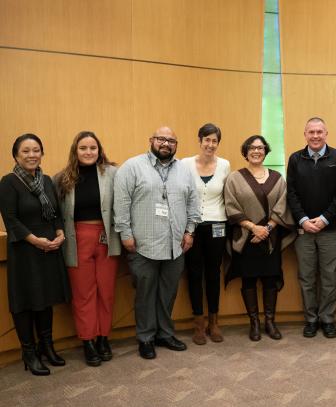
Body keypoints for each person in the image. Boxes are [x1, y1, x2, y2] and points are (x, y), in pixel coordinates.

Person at [113, 126, 200, 360]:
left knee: (168, 293)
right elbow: (120, 205)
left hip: (176, 245)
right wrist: (126, 235)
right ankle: (145, 337)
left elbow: (193, 202)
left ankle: (165, 333)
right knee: (145, 293)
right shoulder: (132, 167)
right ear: (151, 140)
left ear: (176, 145)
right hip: (143, 245)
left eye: (171, 140)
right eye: (161, 139)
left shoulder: (184, 170)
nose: (166, 144)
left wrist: (190, 231)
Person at [0, 133, 71, 375]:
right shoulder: (8, 182)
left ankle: (47, 347)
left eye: (36, 150)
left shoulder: (47, 180)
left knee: (45, 299)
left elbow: (56, 213)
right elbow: (10, 220)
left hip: (49, 247)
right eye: (26, 151)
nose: (32, 155)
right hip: (24, 249)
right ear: (16, 156)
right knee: (25, 302)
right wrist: (35, 241)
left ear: (42, 153)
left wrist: (60, 233)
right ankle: (28, 353)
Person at [53, 131, 120, 367]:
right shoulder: (62, 178)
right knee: (84, 294)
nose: (89, 152)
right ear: (75, 151)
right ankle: (88, 341)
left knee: (106, 291)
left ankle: (103, 338)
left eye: (93, 148)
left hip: (107, 238)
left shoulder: (113, 173)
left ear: (99, 150)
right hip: (77, 239)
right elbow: (55, 214)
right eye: (83, 148)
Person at [223, 135, 295, 341]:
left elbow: (283, 205)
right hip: (246, 238)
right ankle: (254, 322)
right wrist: (254, 228)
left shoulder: (277, 178)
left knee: (270, 278)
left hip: (270, 239)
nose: (256, 151)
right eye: (252, 148)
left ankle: (270, 322)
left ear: (266, 151)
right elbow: (230, 206)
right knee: (249, 280)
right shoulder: (235, 178)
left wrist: (268, 228)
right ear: (245, 152)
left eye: (261, 148)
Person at [287, 117, 336, 338]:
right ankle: (311, 319)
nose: (315, 136)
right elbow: (291, 193)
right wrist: (303, 219)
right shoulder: (295, 159)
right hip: (304, 231)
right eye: (311, 132)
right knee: (306, 277)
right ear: (305, 134)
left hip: (330, 230)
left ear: (326, 133)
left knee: (329, 277)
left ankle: (327, 319)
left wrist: (324, 218)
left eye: (319, 132)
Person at [181, 123, 230, 345]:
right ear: (199, 141)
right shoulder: (185, 164)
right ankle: (198, 324)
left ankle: (214, 322)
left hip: (217, 225)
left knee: (213, 273)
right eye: (207, 140)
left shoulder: (225, 165)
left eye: (214, 141)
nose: (210, 144)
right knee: (193, 273)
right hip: (192, 227)